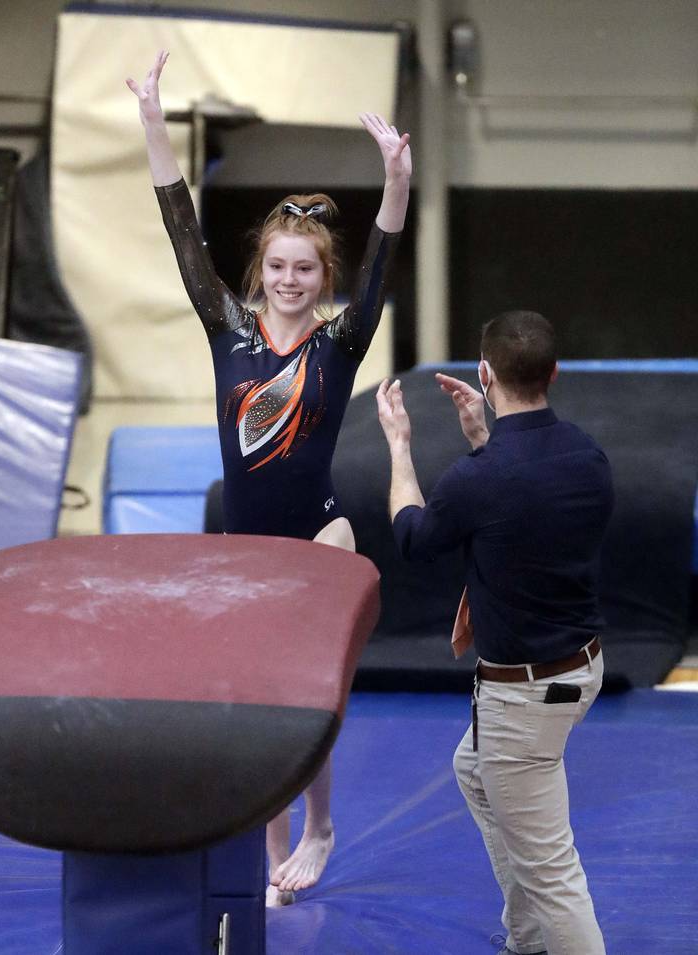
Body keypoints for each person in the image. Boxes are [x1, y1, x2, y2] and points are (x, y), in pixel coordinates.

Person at [127, 50, 411, 906]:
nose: (291, 280)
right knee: (256, 697)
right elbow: (181, 228)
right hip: (243, 539)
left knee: (309, 687)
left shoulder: (340, 343)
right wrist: (151, 121)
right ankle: (278, 839)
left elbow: (386, 258)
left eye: (307, 270)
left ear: (325, 280)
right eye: (279, 267)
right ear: (260, 272)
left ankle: (320, 825)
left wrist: (395, 177)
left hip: (321, 531)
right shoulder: (227, 329)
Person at [376, 311, 612, 955]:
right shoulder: (587, 455)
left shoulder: (480, 480)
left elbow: (413, 536)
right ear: (554, 374)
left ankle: (539, 934)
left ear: (485, 372)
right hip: (578, 669)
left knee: (551, 870)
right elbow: (521, 508)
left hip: (522, 696)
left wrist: (399, 444)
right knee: (473, 770)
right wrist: (482, 435)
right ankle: (528, 936)